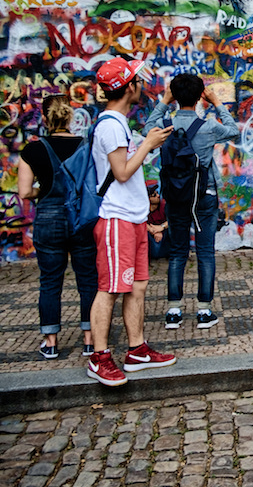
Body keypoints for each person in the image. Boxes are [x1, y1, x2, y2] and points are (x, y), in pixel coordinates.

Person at [88, 57, 176, 386]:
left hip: (134, 219)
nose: (141, 85)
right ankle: (99, 357)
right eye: (137, 80)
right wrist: (149, 145)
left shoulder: (119, 123)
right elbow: (122, 172)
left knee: (136, 287)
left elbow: (125, 164)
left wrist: (144, 143)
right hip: (117, 220)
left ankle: (137, 350)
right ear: (129, 88)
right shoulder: (111, 125)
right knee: (110, 289)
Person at [145, 74, 239, 329]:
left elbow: (145, 131)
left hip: (175, 198)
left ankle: (173, 311)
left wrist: (164, 101)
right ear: (200, 96)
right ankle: (204, 311)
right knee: (205, 252)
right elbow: (233, 131)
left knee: (177, 252)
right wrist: (217, 102)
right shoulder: (208, 126)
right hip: (204, 196)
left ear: (175, 96)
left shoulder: (164, 126)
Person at [17, 94, 98, 360]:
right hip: (80, 219)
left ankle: (51, 342)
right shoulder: (85, 146)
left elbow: (24, 192)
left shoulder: (32, 149)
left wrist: (44, 189)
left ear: (44, 118)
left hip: (49, 218)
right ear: (71, 117)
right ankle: (89, 339)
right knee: (87, 280)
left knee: (50, 281)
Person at [146, 182, 170, 260]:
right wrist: (152, 230)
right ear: (149, 198)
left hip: (164, 236)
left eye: (157, 193)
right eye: (154, 195)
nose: (158, 196)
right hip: (151, 235)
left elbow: (172, 220)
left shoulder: (164, 206)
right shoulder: (143, 209)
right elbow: (139, 221)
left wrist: (161, 227)